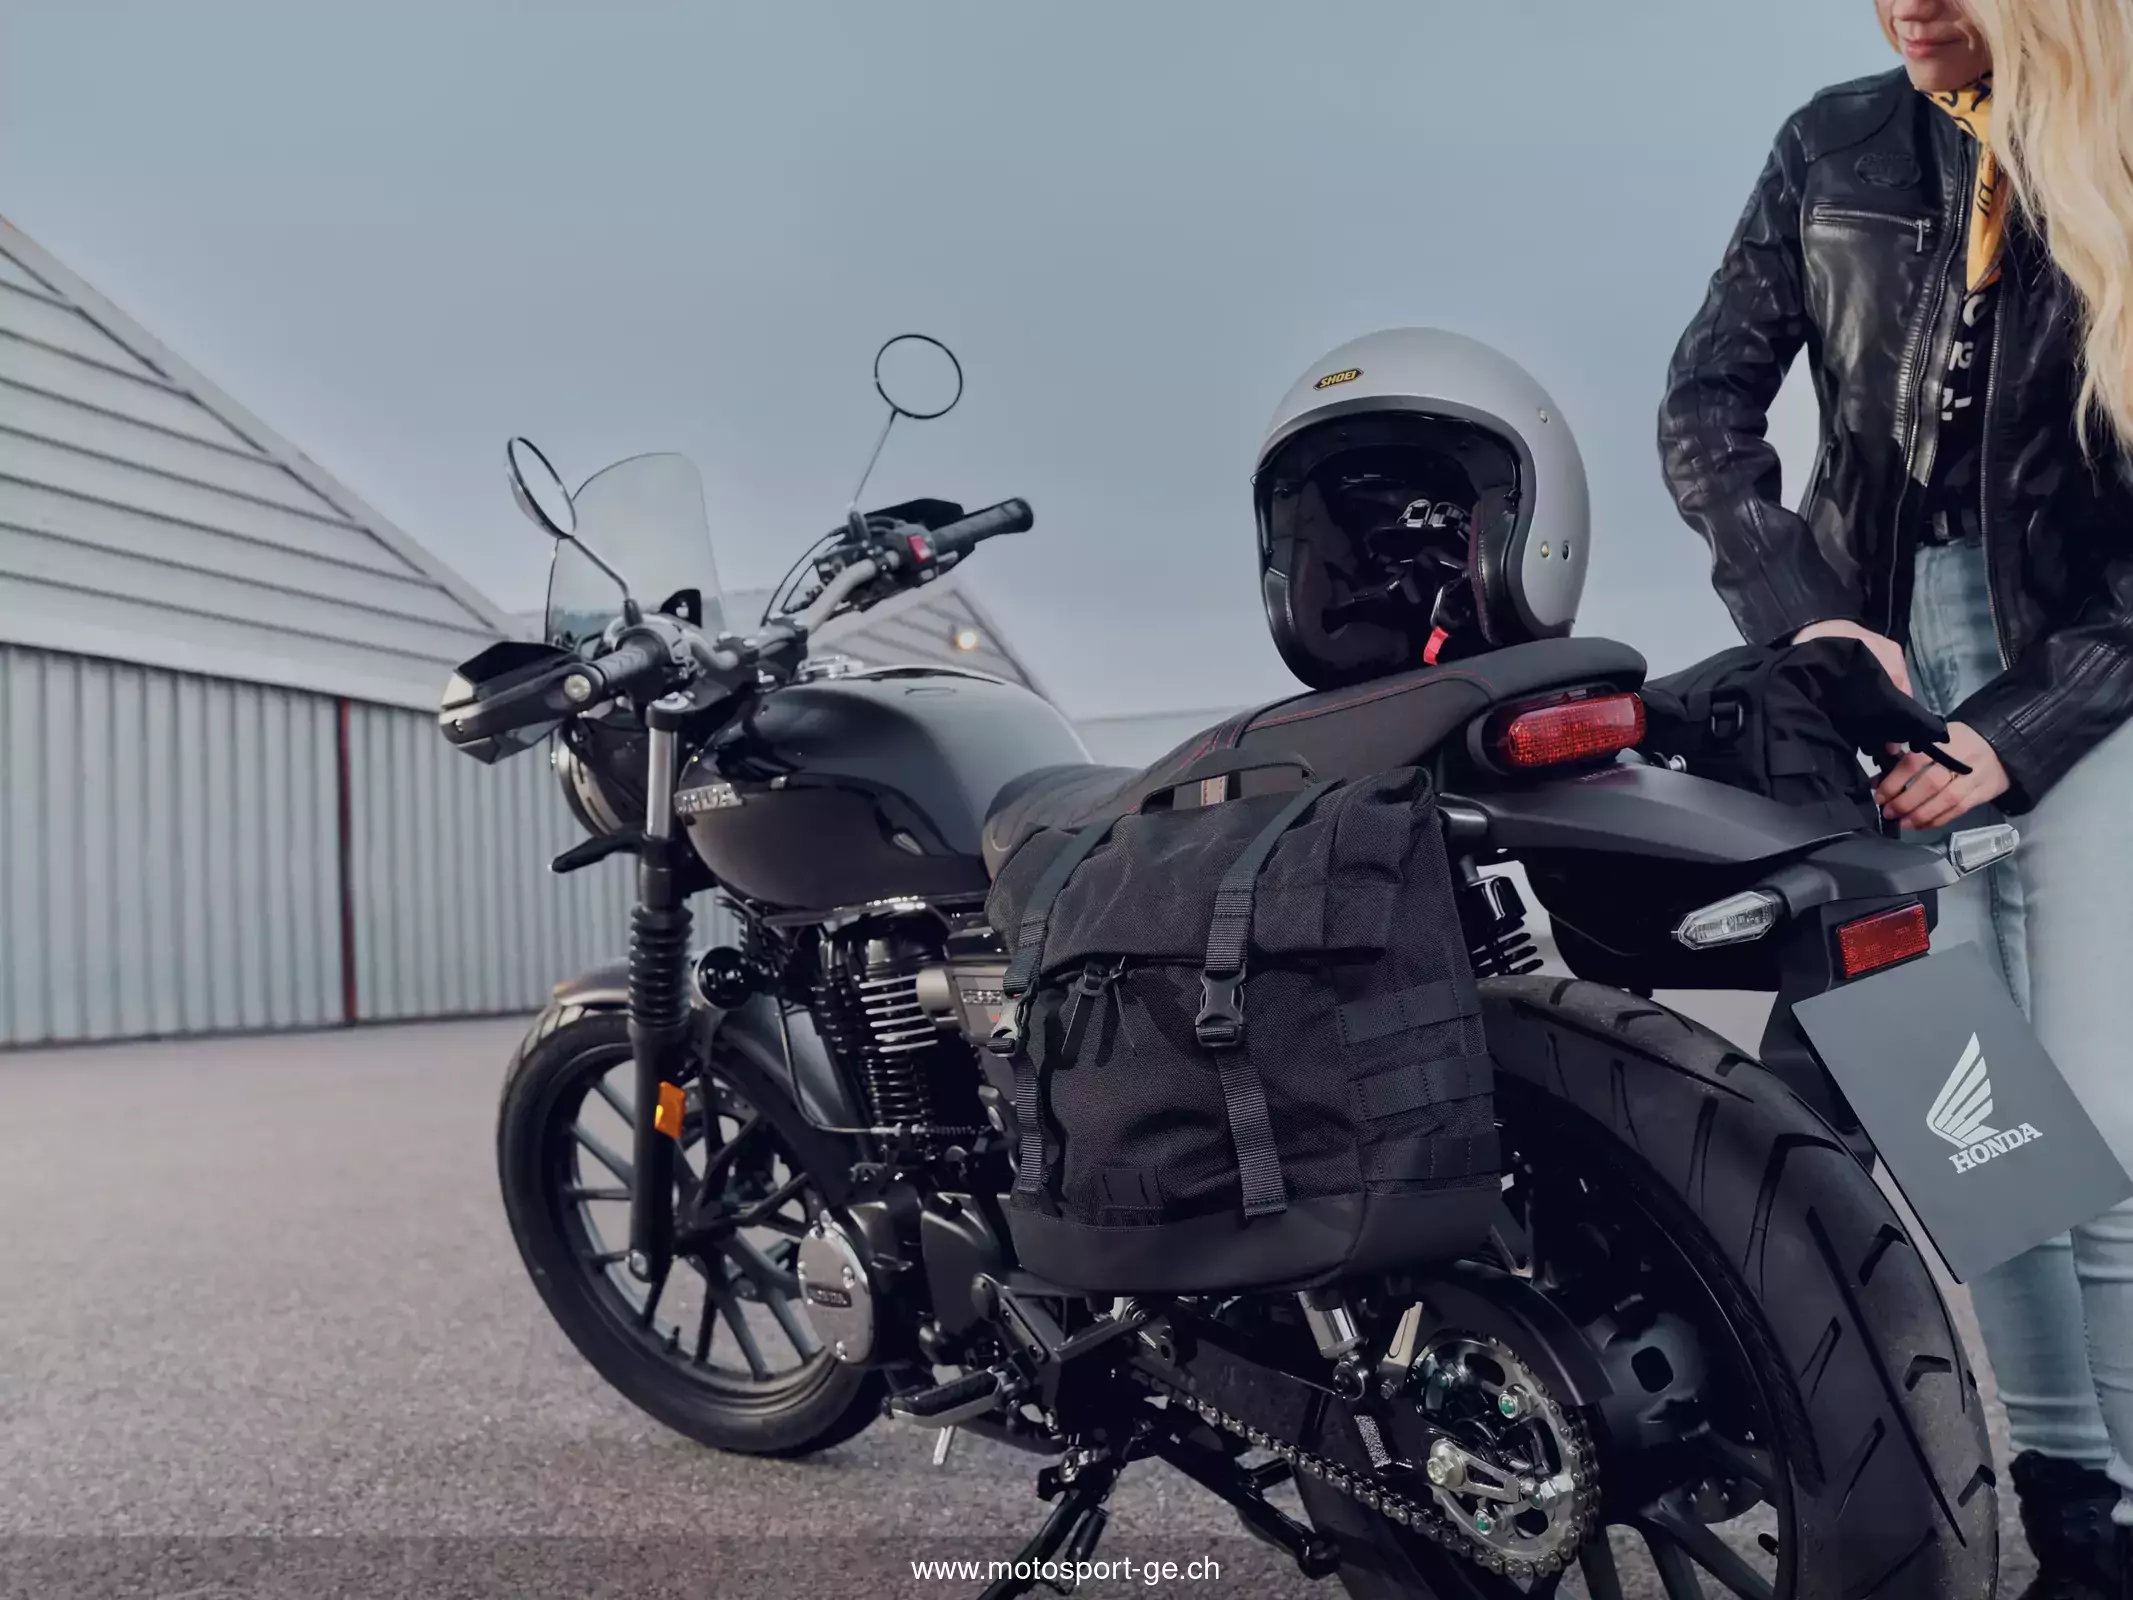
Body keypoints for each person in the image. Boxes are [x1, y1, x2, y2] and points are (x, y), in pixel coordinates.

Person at [1657, 1, 2133, 1595]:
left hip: (2091, 669)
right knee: (1975, 1123)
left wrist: (2019, 728)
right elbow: (1706, 406)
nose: (1911, 1)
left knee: (2104, 1122)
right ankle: (2074, 1518)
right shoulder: (1835, 139)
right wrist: (1806, 620)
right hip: (1872, 673)